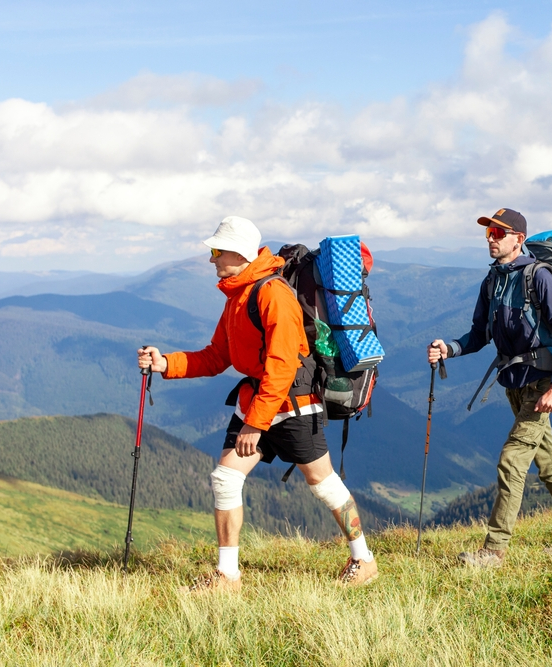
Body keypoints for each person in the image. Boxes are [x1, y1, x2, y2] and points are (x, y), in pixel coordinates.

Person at [138, 216, 378, 590]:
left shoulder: (273, 294)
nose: (212, 259)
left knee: (323, 483)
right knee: (225, 479)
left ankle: (363, 560)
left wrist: (255, 423)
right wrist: (165, 363)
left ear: (240, 253)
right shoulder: (238, 296)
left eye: (218, 251)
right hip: (259, 400)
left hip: (293, 402)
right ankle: (227, 575)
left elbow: (283, 366)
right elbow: (217, 356)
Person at [426, 208, 552, 568]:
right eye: (488, 233)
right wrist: (449, 348)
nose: (491, 238)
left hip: (541, 385)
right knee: (549, 464)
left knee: (511, 462)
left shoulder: (539, 277)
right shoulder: (493, 281)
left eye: (499, 233)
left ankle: (494, 551)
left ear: (518, 239)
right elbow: (480, 333)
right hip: (515, 385)